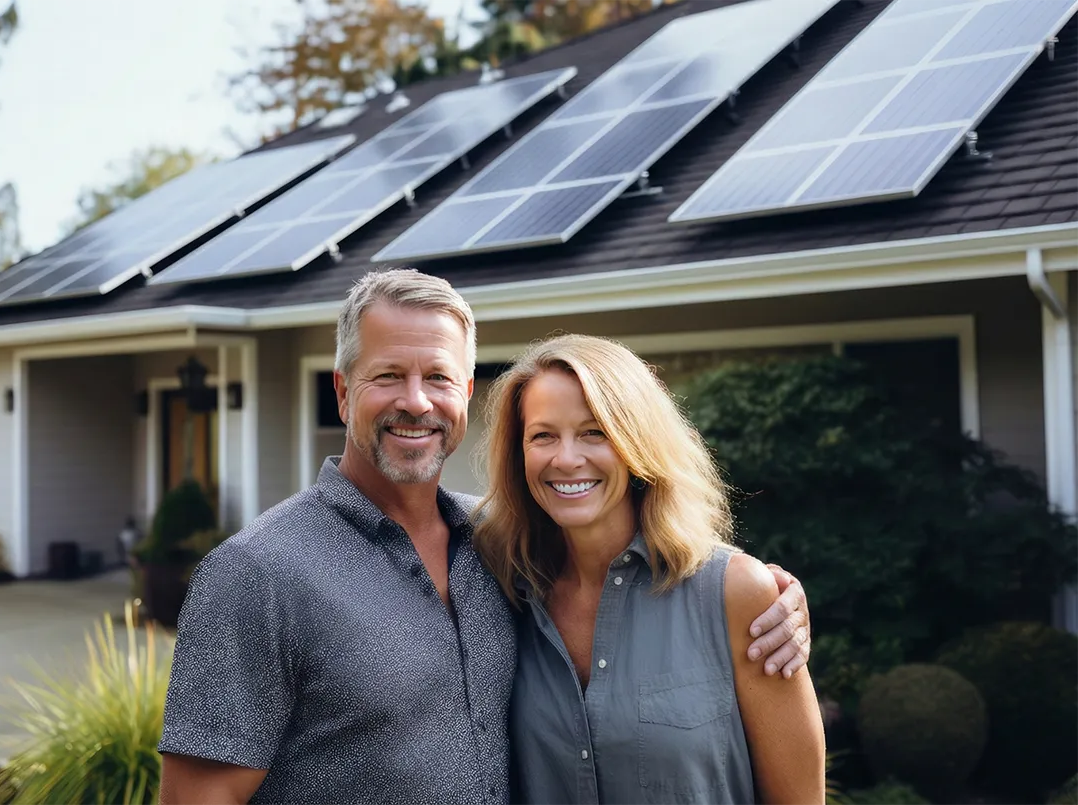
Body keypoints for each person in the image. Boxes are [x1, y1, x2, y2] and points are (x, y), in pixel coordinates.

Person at [157, 268, 813, 805]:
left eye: (438, 377)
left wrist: (772, 594)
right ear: (342, 390)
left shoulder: (504, 547)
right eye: (388, 375)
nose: (416, 400)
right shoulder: (256, 574)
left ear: (465, 394)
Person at [473, 333, 826, 804]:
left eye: (594, 431)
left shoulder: (736, 595)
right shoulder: (498, 585)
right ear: (519, 455)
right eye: (543, 436)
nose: (567, 458)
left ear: (636, 442)